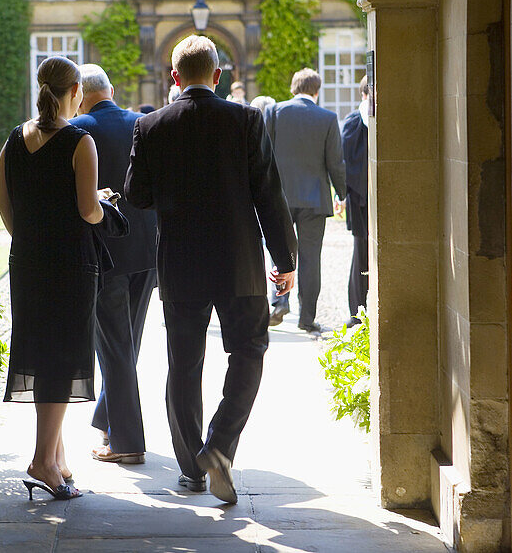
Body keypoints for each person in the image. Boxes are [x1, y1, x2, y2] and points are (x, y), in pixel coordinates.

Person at [126, 35, 297, 504]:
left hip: (180, 263)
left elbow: (137, 196)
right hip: (238, 260)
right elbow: (268, 192)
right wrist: (286, 260)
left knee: (184, 363)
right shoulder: (245, 118)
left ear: (174, 78)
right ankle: (220, 444)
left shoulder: (151, 125)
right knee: (250, 349)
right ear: (219, 76)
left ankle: (191, 469)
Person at [0, 56, 113, 501]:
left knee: (42, 351)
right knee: (61, 359)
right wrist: (104, 204)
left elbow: (4, 204)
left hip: (27, 261)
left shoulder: (14, 139)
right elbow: (87, 211)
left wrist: (29, 239)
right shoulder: (80, 142)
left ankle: (58, 457)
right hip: (70, 263)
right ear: (75, 91)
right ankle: (43, 461)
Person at [70, 65, 157, 466]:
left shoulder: (76, 129)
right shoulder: (143, 122)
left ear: (79, 95)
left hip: (104, 250)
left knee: (116, 348)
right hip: (148, 250)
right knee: (127, 345)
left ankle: (126, 441)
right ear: (111, 90)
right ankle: (108, 420)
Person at [264, 68, 346, 332]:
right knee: (311, 259)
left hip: (280, 198)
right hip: (314, 198)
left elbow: (264, 154)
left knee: (281, 252)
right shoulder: (328, 118)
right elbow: (335, 162)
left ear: (292, 88)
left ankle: (280, 301)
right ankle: (307, 318)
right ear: (317, 91)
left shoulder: (275, 112)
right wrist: (341, 194)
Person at [340, 77, 370, 328]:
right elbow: (346, 162)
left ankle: (363, 308)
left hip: (365, 196)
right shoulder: (353, 122)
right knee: (360, 253)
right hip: (360, 201)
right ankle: (358, 309)